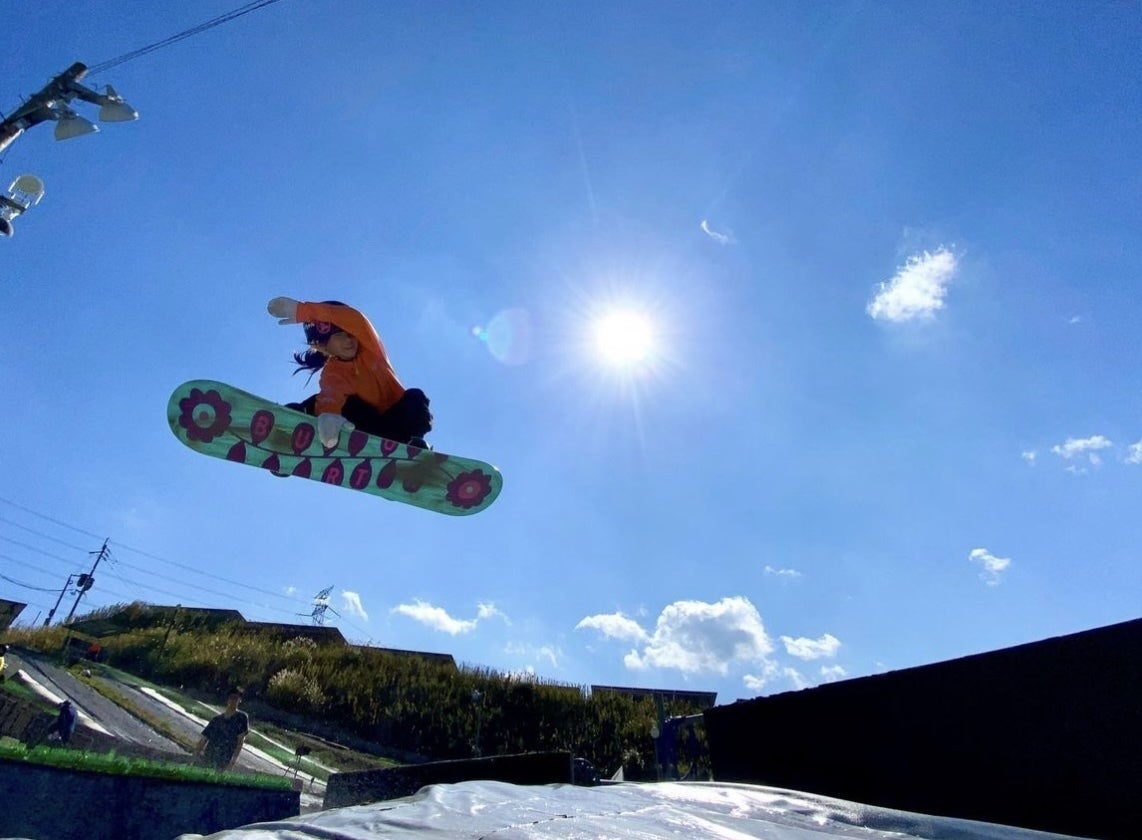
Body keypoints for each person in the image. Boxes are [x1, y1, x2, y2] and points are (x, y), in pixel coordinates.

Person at [266, 297, 433, 449]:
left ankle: (411, 445)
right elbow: (330, 399)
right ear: (322, 345)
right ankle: (289, 431)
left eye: (351, 335)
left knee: (415, 397)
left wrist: (304, 311)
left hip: (398, 422)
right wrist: (329, 416)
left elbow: (355, 320)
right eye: (340, 335)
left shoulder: (370, 350)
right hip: (371, 427)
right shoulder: (333, 373)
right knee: (325, 404)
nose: (349, 340)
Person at [194, 687, 250, 771]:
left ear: (240, 700)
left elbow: (240, 742)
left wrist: (232, 762)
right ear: (227, 699)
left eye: (236, 698)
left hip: (224, 761)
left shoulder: (241, 718)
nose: (233, 701)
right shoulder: (216, 720)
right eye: (231, 697)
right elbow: (204, 739)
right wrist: (196, 754)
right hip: (208, 757)